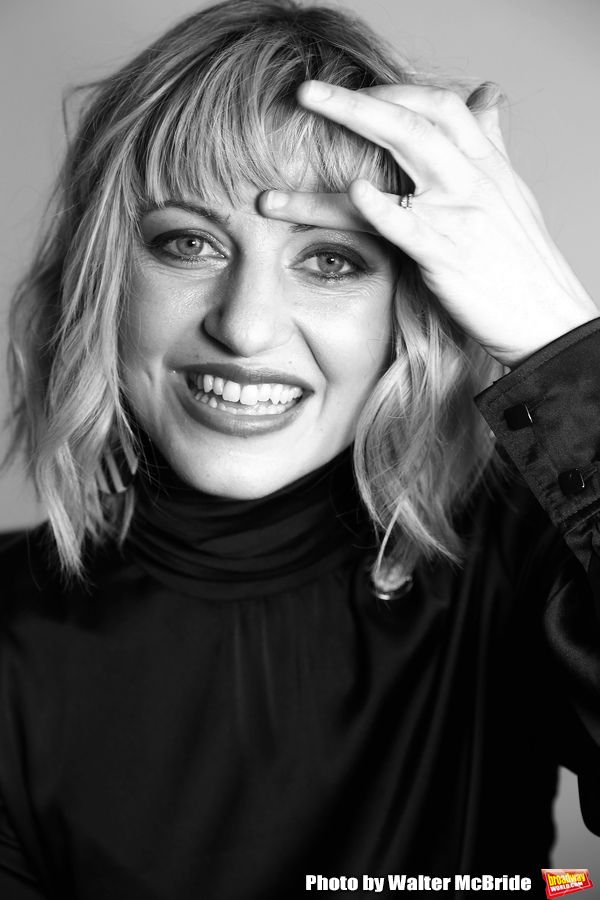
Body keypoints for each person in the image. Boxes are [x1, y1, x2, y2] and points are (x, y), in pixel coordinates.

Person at [1, 0, 599, 897]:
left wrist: (557, 339)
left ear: (409, 311)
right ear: (105, 282)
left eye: (330, 261)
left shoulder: (520, 551)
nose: (244, 329)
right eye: (187, 242)